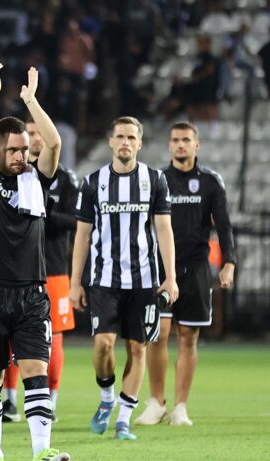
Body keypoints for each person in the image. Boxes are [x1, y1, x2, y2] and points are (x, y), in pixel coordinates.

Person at [0, 62, 70, 461]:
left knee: (35, 371)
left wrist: (31, 101)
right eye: (13, 150)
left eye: (25, 149)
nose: (21, 156)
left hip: (31, 294)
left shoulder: (36, 180)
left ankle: (41, 451)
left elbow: (54, 144)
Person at [69, 116, 179, 441]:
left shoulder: (155, 180)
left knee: (138, 348)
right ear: (111, 141)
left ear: (140, 143)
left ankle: (124, 420)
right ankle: (106, 397)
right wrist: (75, 283)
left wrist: (170, 277)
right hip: (104, 280)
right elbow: (82, 235)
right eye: (120, 136)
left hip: (144, 280)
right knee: (103, 345)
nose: (125, 142)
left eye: (131, 137)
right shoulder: (93, 183)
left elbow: (164, 230)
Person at [136, 121, 236, 426]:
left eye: (186, 140)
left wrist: (229, 261)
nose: (181, 144)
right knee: (158, 334)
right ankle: (156, 402)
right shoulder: (157, 180)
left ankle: (180, 407)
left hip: (196, 268)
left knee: (189, 337)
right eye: (176, 140)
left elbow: (223, 224)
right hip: (160, 269)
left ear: (196, 145)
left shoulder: (211, 182)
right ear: (169, 145)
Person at [27, 117, 79, 422]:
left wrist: (45, 211)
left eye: (39, 133)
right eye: (29, 133)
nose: (35, 138)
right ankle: (10, 400)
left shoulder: (66, 179)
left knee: (55, 334)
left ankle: (52, 401)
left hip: (54, 267)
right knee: (13, 334)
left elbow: (77, 221)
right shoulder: (14, 175)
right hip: (19, 268)